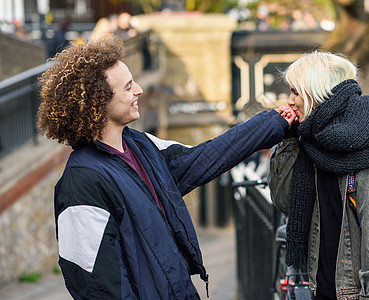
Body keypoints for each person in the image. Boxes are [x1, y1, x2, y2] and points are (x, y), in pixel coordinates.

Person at [37, 34, 296, 299]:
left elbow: (207, 157)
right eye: (128, 87)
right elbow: (96, 285)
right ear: (98, 102)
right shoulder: (81, 183)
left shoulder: (141, 145)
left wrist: (274, 122)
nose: (139, 89)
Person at [268, 51, 369, 300]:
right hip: (327, 287)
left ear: (317, 91)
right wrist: (289, 142)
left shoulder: (365, 145)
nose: (290, 101)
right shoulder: (309, 143)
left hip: (366, 294)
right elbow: (284, 202)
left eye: (296, 91)